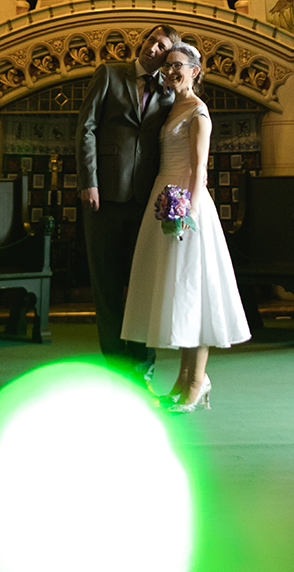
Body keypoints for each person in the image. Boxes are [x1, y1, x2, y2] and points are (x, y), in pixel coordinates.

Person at [121, 41, 250, 411]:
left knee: (194, 292)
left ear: (196, 70)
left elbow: (200, 168)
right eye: (167, 66)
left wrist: (185, 214)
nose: (172, 71)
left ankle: (197, 380)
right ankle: (181, 380)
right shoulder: (169, 107)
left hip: (185, 204)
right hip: (162, 199)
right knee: (178, 293)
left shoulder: (198, 111)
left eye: (179, 65)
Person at [75, 23, 180, 379]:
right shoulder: (108, 74)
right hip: (103, 196)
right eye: (151, 40)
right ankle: (116, 367)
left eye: (162, 46)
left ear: (169, 57)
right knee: (106, 284)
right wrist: (89, 182)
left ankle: (144, 367)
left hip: (147, 199)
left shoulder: (169, 92)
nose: (152, 47)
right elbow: (86, 127)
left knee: (144, 284)